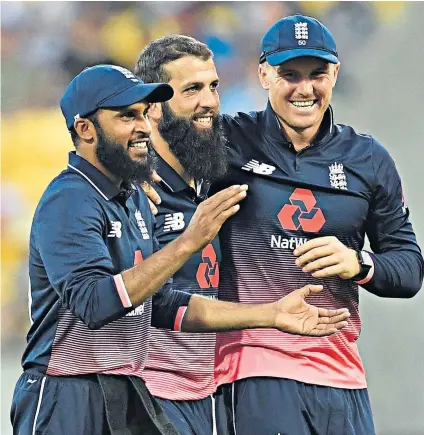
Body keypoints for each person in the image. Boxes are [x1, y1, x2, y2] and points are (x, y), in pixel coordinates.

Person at [10, 64, 350, 435]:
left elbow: (162, 304)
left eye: (143, 114)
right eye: (126, 116)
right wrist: (189, 242)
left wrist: (270, 315)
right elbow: (94, 303)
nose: (142, 126)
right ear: (85, 129)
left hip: (124, 390)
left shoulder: (133, 200)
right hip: (66, 391)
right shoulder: (70, 198)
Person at [137, 13, 423, 435]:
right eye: (289, 74)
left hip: (342, 374)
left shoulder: (370, 161)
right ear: (264, 74)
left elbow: (409, 268)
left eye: (317, 74)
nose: (304, 88)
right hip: (253, 371)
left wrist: (359, 264)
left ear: (336, 73)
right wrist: (136, 172)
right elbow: (162, 126)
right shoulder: (228, 143)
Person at [135, 37, 230, 435]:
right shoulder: (133, 191)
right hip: (152, 395)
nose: (209, 101)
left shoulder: (217, 178)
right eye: (192, 89)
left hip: (213, 395)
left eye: (213, 86)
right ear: (153, 107)